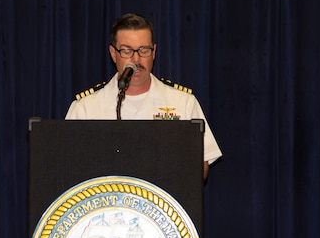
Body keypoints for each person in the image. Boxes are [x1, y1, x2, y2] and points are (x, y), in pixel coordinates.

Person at [65, 13, 222, 180]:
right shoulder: (85, 108)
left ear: (154, 52)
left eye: (143, 50)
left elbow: (200, 167)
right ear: (113, 53)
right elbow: (67, 167)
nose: (136, 59)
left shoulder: (183, 103)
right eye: (126, 51)